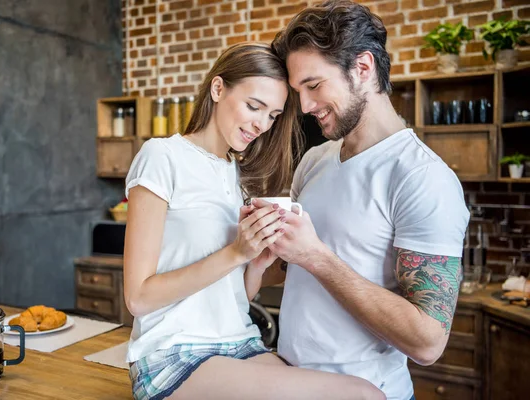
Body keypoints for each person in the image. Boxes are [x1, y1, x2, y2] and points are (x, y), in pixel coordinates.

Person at [122, 42, 384, 400]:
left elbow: (231, 301)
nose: (262, 124)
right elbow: (138, 298)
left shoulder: (237, 173)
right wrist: (235, 253)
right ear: (218, 89)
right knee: (363, 396)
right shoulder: (162, 156)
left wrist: (256, 263)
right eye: (254, 106)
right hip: (175, 353)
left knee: (368, 393)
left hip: (241, 344)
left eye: (273, 115)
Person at [254, 1, 471, 399]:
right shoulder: (314, 160)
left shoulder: (423, 177)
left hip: (367, 391)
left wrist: (316, 256)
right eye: (298, 91)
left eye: (314, 85)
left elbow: (428, 342)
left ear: (363, 68)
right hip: (290, 383)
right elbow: (285, 269)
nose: (304, 106)